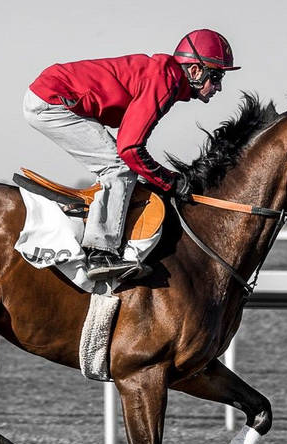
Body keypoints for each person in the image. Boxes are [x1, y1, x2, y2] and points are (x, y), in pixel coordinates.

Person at [23, 29, 240, 281]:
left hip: (56, 96)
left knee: (121, 165)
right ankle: (100, 253)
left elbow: (131, 144)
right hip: (52, 100)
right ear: (194, 71)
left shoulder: (166, 79)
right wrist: (169, 181)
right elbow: (130, 149)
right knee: (118, 166)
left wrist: (160, 177)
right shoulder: (164, 81)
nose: (219, 87)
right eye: (215, 76)